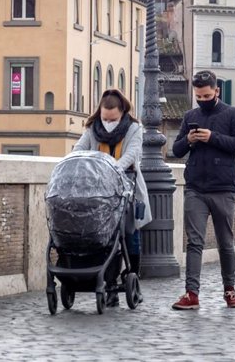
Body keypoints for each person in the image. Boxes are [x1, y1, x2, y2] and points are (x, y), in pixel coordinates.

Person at [171, 70, 235, 310]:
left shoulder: (234, 114)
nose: (202, 100)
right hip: (195, 186)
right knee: (194, 242)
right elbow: (176, 150)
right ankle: (191, 293)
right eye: (198, 96)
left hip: (224, 188)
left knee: (225, 242)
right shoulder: (190, 116)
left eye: (206, 95)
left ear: (217, 91)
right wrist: (190, 140)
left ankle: (230, 290)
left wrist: (212, 137)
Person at [74, 88, 152, 307]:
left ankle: (131, 276)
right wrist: (73, 161)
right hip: (98, 191)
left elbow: (132, 154)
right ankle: (109, 286)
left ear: (122, 112)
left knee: (129, 234)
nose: (107, 122)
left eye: (113, 119)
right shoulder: (92, 128)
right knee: (106, 239)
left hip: (127, 187)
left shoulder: (134, 128)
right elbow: (80, 148)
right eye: (104, 118)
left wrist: (112, 168)